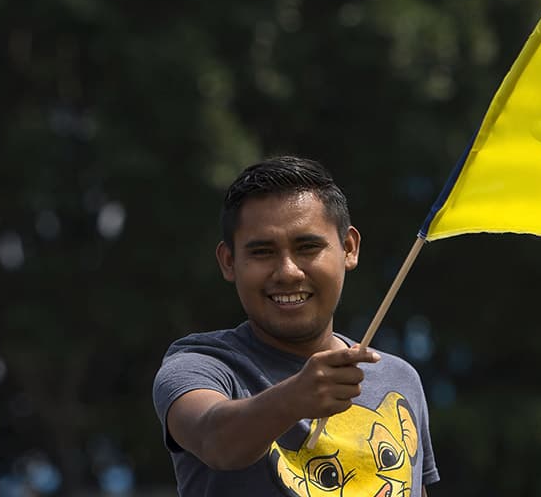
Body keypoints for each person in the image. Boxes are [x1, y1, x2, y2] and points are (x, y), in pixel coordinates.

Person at [152, 155, 439, 496]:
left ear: (349, 248)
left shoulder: (400, 380)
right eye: (262, 252)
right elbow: (215, 441)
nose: (288, 271)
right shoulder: (200, 367)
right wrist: (294, 398)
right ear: (229, 262)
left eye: (307, 247)